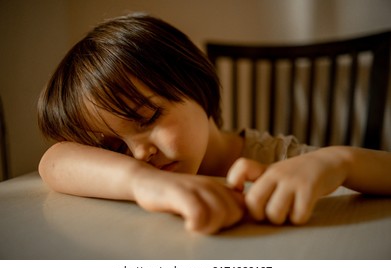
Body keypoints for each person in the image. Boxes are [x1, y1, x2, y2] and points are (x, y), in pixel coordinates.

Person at [37, 13, 391, 234]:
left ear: (197, 87)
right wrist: (143, 183)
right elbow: (53, 161)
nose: (139, 153)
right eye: (115, 147)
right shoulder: (134, 172)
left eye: (148, 117)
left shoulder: (273, 159)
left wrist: (338, 161)